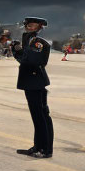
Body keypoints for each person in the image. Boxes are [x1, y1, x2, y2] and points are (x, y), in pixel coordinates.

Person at [12, 17, 53, 158]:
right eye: (28, 25)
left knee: (41, 117)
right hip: (31, 81)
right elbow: (23, 59)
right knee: (37, 117)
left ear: (39, 27)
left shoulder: (38, 43)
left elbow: (34, 61)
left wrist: (22, 50)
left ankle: (44, 149)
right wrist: (16, 51)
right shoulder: (29, 41)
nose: (29, 27)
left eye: (33, 25)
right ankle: (38, 146)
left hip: (36, 81)